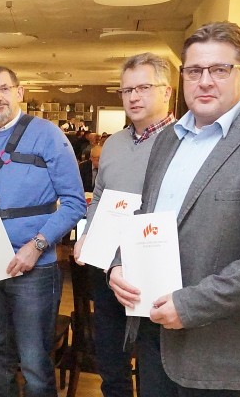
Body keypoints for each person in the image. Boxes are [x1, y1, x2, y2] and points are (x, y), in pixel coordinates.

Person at [109, 22, 240, 397]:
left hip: (217, 343)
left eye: (219, 70)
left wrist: (191, 304)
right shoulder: (168, 139)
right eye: (194, 70)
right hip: (152, 330)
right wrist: (121, 262)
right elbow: (146, 216)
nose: (204, 81)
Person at [0, 66, 85, 396]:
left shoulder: (49, 135)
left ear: (19, 92)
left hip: (34, 267)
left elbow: (74, 203)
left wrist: (37, 245)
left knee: (35, 362)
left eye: (4, 89)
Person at [74, 52, 175, 397]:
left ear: (167, 92)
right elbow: (100, 195)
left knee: (153, 367)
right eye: (126, 90)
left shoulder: (184, 142)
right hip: (106, 267)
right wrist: (86, 233)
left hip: (154, 271)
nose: (133, 97)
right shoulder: (114, 143)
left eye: (143, 87)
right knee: (111, 362)